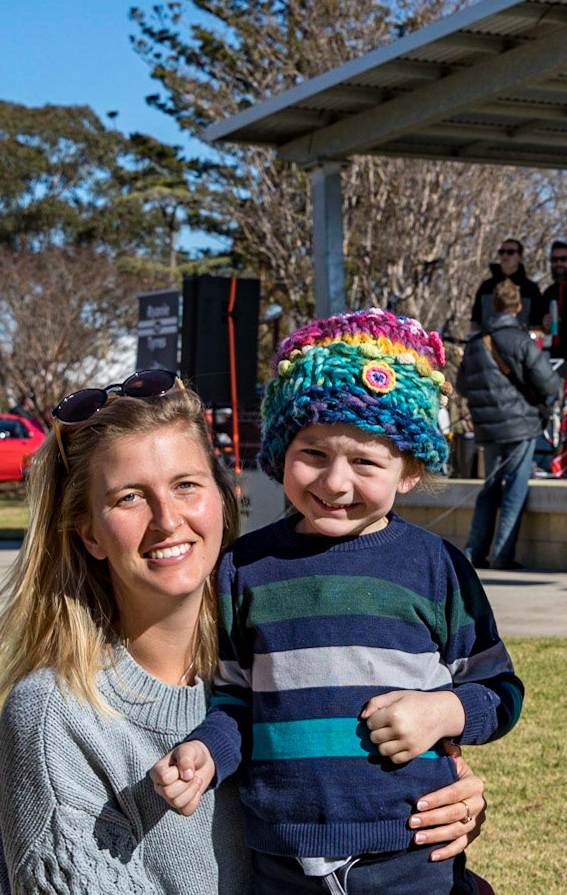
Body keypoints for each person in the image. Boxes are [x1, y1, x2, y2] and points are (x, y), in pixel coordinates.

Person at [0, 368, 490, 894]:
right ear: (90, 534)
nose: (167, 519)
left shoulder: (295, 658)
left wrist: (448, 804)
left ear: (224, 500)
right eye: (129, 497)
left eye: (186, 486)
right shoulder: (55, 717)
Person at [154, 310, 523, 895]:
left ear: (408, 471)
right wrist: (206, 752)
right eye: (314, 453)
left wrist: (443, 713)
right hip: (280, 856)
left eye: (366, 462)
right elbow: (234, 700)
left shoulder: (436, 567)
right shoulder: (244, 568)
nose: (335, 481)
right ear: (281, 451)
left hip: (413, 852)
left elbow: (499, 689)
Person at [460, 279, 562, 569]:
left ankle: (473, 552)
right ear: (518, 308)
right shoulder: (520, 340)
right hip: (521, 426)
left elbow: (463, 386)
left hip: (488, 427)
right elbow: (549, 383)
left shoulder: (476, 342)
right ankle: (502, 554)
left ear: (492, 306)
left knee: (490, 486)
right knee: (515, 488)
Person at [469, 238, 544, 329]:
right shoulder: (486, 286)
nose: (505, 255)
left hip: (519, 340)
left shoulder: (530, 289)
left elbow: (537, 322)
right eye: (502, 252)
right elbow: (475, 320)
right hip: (487, 340)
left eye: (510, 252)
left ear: (520, 257)